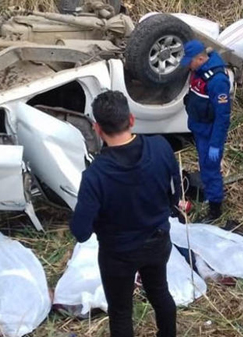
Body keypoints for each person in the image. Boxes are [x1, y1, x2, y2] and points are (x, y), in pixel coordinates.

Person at [69, 91, 180, 337]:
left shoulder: (94, 176)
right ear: (131, 120)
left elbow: (81, 232)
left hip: (118, 254)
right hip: (158, 240)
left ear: (97, 129)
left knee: (120, 312)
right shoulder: (161, 147)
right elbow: (175, 194)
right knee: (160, 293)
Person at [181, 40, 232, 222]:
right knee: (204, 166)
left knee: (210, 170)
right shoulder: (198, 71)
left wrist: (216, 144)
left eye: (190, 61)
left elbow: (223, 116)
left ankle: (215, 210)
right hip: (199, 128)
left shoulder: (217, 81)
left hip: (210, 133)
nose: (187, 65)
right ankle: (211, 196)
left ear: (201, 58)